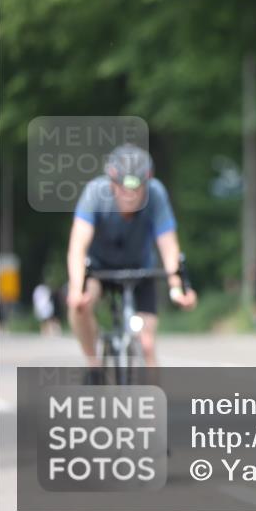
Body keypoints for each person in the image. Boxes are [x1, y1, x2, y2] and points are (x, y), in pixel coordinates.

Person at [66, 144, 197, 369]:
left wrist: (178, 288)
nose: (130, 194)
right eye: (123, 186)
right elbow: (78, 246)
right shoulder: (94, 194)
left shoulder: (156, 194)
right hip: (99, 268)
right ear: (112, 184)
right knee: (79, 307)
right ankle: (93, 363)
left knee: (147, 344)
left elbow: (169, 246)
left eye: (138, 187)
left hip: (140, 269)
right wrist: (78, 289)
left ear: (147, 184)